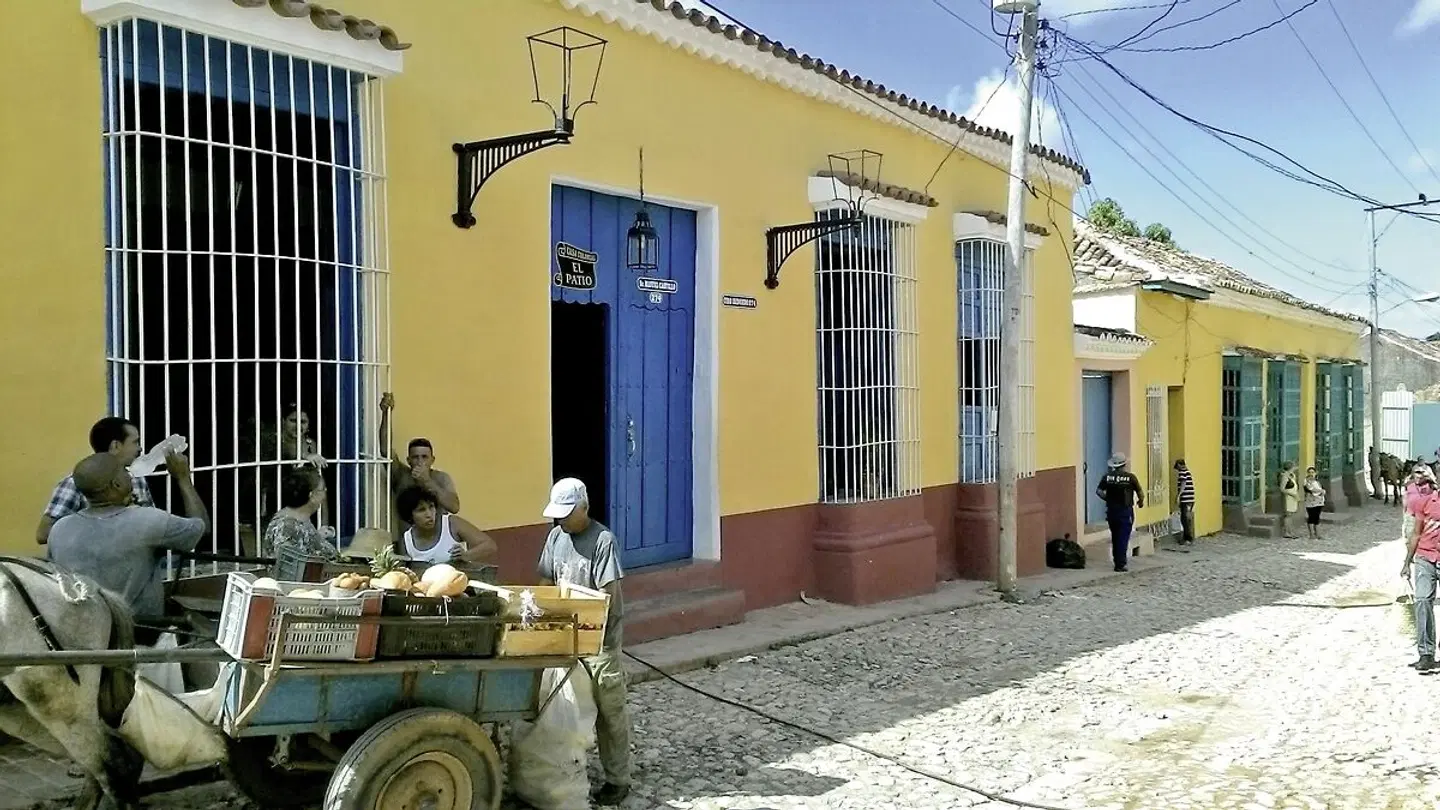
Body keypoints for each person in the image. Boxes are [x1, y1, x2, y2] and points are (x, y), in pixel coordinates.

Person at [47, 452, 208, 644]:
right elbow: (201, 527)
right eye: (124, 471)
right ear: (116, 484)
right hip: (138, 633)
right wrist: (183, 477)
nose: (130, 473)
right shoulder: (148, 520)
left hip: (81, 634)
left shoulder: (60, 529)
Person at [537, 478, 630, 806]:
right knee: (563, 708)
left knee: (609, 712)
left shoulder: (603, 540)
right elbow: (547, 581)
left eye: (566, 514)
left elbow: (608, 595)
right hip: (565, 639)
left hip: (599, 644)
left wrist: (579, 615)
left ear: (583, 508)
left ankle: (618, 778)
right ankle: (569, 770)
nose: (560, 520)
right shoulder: (555, 537)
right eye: (557, 515)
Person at [35, 416, 155, 546]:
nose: (140, 448)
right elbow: (43, 534)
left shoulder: (137, 480)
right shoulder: (74, 483)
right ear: (115, 446)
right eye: (135, 442)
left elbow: (153, 524)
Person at [380, 393, 461, 536]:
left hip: (438, 540)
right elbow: (385, 449)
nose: (420, 461)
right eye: (415, 457)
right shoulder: (401, 474)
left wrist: (428, 481)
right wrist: (386, 413)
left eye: (424, 457)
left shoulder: (441, 478)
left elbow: (454, 507)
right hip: (408, 542)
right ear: (409, 460)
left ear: (432, 459)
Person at [1401, 463, 1440, 672]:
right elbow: (1416, 533)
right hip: (1426, 557)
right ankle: (1426, 653)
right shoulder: (1425, 503)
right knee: (1422, 600)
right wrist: (1407, 562)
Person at [395, 486, 495, 565]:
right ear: (409, 515)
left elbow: (489, 545)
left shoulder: (452, 523)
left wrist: (467, 555)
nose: (429, 514)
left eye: (431, 507)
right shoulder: (406, 540)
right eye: (421, 510)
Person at [261, 466, 336, 564]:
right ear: (312, 495)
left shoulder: (301, 519)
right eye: (322, 490)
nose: (324, 494)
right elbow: (287, 567)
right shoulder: (287, 526)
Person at [1096, 453, 1144, 573]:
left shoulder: (1107, 477)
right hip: (1125, 511)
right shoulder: (1131, 477)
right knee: (1123, 537)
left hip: (1112, 511)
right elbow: (1140, 493)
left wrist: (1108, 499)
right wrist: (1140, 502)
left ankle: (1116, 560)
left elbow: (1099, 491)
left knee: (1115, 536)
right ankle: (1120, 564)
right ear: (1124, 464)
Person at [1173, 458, 1196, 545]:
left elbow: (1183, 484)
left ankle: (1188, 538)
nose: (1177, 469)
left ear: (1179, 465)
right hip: (1191, 498)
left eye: (1177, 466)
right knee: (1187, 518)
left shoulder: (1182, 472)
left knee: (1184, 519)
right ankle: (1188, 537)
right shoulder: (1187, 471)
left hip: (1186, 499)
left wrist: (1178, 495)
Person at [1303, 466, 1326, 540]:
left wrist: (1323, 492)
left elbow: (1322, 488)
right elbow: (1311, 490)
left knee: (1317, 517)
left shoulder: (1317, 481)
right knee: (1311, 517)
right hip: (1310, 502)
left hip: (1319, 501)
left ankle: (1318, 534)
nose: (1311, 474)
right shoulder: (1306, 481)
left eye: (1312, 472)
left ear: (1315, 473)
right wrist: (1321, 491)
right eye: (1309, 472)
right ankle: (1311, 534)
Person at [1278, 461, 1300, 539]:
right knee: (1288, 515)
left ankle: (1291, 531)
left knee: (1290, 515)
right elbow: (1282, 489)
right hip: (1288, 497)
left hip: (1293, 497)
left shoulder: (1291, 475)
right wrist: (1293, 494)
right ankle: (1287, 532)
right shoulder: (1285, 477)